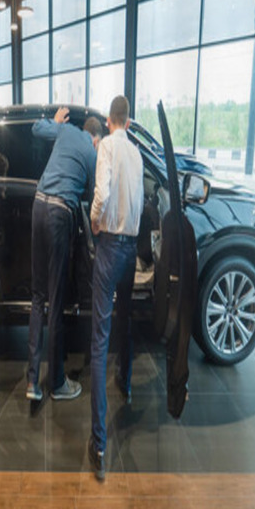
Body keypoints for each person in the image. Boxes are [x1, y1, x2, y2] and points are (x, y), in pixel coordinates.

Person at [26, 107, 103, 402]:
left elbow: (36, 128)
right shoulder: (93, 153)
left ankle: (32, 382)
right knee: (55, 301)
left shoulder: (66, 130)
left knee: (37, 295)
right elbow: (94, 195)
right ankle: (57, 383)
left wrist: (55, 121)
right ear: (95, 139)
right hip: (59, 212)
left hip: (38, 204)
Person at [87, 95, 144, 481]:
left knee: (99, 339)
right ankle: (125, 383)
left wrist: (94, 221)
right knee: (126, 323)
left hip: (108, 247)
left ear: (109, 121)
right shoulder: (138, 154)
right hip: (132, 247)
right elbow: (139, 202)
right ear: (127, 120)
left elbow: (102, 194)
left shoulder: (106, 146)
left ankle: (100, 440)